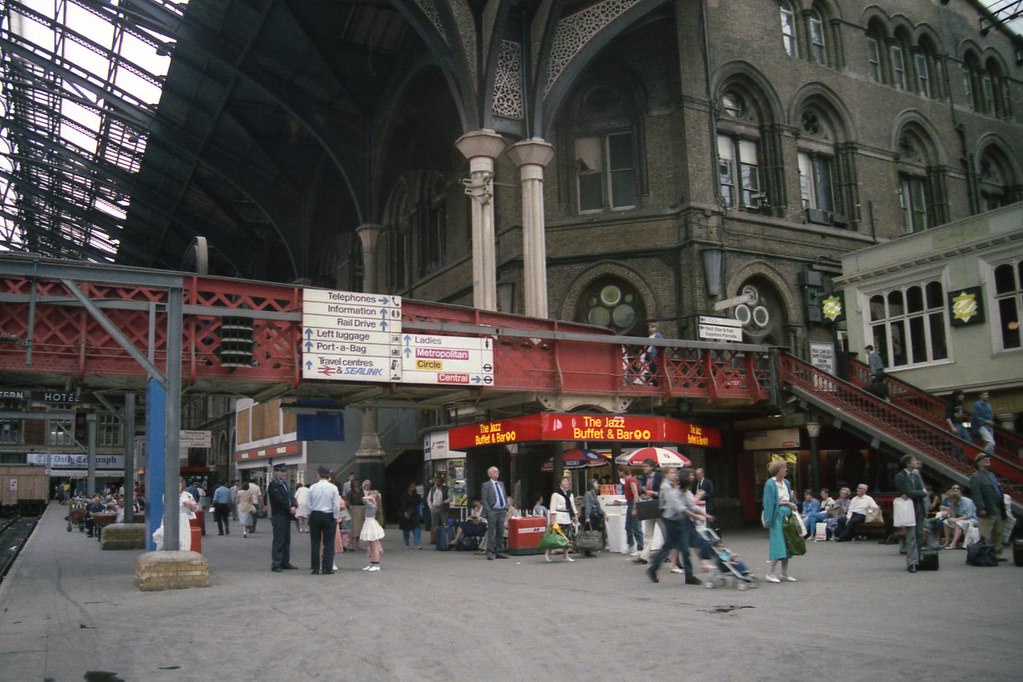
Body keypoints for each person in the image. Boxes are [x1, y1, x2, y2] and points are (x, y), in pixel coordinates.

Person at [762, 460, 798, 583]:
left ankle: (784, 573)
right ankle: (770, 573)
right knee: (778, 544)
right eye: (784, 468)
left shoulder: (786, 482)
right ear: (778, 470)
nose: (786, 470)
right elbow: (769, 502)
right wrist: (769, 520)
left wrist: (792, 504)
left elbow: (789, 497)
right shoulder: (770, 484)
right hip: (776, 516)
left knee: (787, 543)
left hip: (787, 515)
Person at [894, 455, 927, 573]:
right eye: (914, 460)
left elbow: (923, 490)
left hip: (918, 507)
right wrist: (921, 493)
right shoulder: (900, 476)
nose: (916, 462)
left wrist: (919, 493)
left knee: (919, 534)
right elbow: (910, 492)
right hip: (908, 508)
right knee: (911, 536)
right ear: (908, 463)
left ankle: (917, 559)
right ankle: (911, 563)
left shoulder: (916, 475)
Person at [970, 453, 1006, 560]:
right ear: (978, 462)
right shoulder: (975, 476)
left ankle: (997, 554)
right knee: (986, 533)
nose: (987, 460)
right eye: (984, 459)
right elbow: (976, 494)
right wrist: (981, 507)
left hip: (998, 507)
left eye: (988, 458)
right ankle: (985, 554)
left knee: (998, 532)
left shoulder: (991, 474)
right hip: (987, 508)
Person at [306, 466, 341, 575]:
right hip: (329, 515)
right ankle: (327, 568)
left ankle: (315, 568)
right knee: (328, 543)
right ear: (328, 476)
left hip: (315, 515)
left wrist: (309, 515)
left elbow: (308, 504)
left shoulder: (312, 487)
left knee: (315, 543)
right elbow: (336, 505)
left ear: (319, 475)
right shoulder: (333, 488)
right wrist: (335, 517)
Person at [267, 464, 297, 572]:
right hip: (279, 515)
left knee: (286, 540)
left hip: (286, 515)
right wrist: (290, 507)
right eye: (282, 471)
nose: (284, 474)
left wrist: (294, 504)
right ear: (276, 472)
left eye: (285, 472)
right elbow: (279, 500)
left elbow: (289, 496)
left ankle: (285, 562)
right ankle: (276, 563)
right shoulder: (273, 485)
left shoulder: (283, 484)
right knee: (279, 540)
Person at [634, 459, 663, 565]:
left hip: (659, 506)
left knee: (665, 531)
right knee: (648, 532)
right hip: (649, 506)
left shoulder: (659, 476)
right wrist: (645, 495)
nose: (644, 468)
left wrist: (653, 493)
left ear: (652, 467)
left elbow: (663, 492)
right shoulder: (644, 478)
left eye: (646, 466)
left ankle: (670, 554)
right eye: (643, 466)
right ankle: (644, 556)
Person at [481, 466, 509, 560]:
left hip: (501, 510)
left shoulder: (501, 484)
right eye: (494, 471)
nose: (497, 473)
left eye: (497, 471)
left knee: (500, 531)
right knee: (492, 532)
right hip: (493, 511)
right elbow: (484, 499)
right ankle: (490, 551)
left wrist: (505, 507)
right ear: (489, 474)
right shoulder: (486, 485)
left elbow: (504, 495)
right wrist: (489, 511)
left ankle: (499, 551)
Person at [547, 477, 578, 562]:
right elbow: (552, 507)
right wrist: (552, 520)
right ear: (560, 483)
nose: (567, 483)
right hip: (559, 516)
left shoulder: (570, 494)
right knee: (555, 537)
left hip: (567, 516)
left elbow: (572, 505)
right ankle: (548, 553)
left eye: (568, 481)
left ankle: (566, 555)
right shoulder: (556, 494)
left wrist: (575, 515)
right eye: (565, 481)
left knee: (567, 537)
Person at [359, 480, 385, 572]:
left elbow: (363, 498)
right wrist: (371, 496)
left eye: (371, 494)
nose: (369, 495)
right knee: (370, 545)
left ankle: (376, 564)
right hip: (368, 522)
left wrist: (370, 497)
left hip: (371, 523)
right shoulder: (372, 504)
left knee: (374, 545)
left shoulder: (372, 505)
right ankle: (372, 563)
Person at [941, 485, 977, 549]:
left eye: (950, 499)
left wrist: (956, 519)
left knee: (958, 523)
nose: (949, 501)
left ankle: (953, 544)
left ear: (955, 498)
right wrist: (951, 514)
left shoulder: (967, 502)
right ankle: (947, 542)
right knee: (946, 522)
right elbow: (954, 515)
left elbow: (968, 515)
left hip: (971, 519)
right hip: (960, 519)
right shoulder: (953, 503)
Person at [620, 465, 643, 558]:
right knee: (629, 526)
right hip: (630, 503)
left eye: (619, 472)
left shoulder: (630, 481)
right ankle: (631, 545)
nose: (618, 474)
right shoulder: (629, 481)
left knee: (635, 526)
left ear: (622, 472)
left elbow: (635, 494)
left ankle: (639, 547)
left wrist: (634, 507)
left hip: (632, 503)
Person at [582, 478, 606, 555]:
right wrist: (587, 517)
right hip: (591, 515)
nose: (598, 485)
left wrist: (603, 513)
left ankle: (590, 548)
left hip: (594, 515)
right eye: (596, 483)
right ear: (591, 485)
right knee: (589, 532)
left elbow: (598, 506)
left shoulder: (594, 494)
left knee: (592, 531)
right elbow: (588, 506)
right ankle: (587, 548)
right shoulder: (588, 494)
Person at [945, 390, 970, 462]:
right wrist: (952, 427)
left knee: (968, 440)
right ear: (957, 396)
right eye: (961, 395)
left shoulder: (960, 404)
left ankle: (962, 459)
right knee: (957, 443)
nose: (963, 397)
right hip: (955, 424)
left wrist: (968, 425)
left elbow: (961, 417)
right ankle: (955, 460)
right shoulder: (950, 404)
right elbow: (948, 417)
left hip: (961, 424)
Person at [399, 482, 423, 549]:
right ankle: (406, 543)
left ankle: (417, 543)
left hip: (415, 513)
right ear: (408, 487)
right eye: (412, 486)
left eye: (414, 486)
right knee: (406, 530)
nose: (413, 487)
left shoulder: (417, 496)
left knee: (416, 528)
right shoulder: (404, 495)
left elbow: (419, 504)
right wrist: (405, 512)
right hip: (406, 513)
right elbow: (403, 505)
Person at [426, 476, 450, 544]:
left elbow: (450, 497)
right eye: (436, 481)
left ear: (442, 482)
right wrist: (431, 507)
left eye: (439, 481)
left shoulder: (446, 489)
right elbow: (429, 499)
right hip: (434, 507)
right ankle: (434, 539)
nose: (437, 482)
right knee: (434, 525)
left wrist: (444, 502)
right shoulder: (432, 489)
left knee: (445, 523)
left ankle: (445, 538)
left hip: (443, 508)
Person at [972, 391, 996, 455]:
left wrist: (991, 422)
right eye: (985, 395)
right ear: (980, 396)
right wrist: (986, 421)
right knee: (991, 443)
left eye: (987, 395)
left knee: (992, 445)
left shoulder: (988, 404)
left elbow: (990, 415)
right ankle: (981, 456)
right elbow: (976, 417)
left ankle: (987, 459)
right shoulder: (977, 405)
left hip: (989, 427)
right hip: (981, 426)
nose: (987, 396)